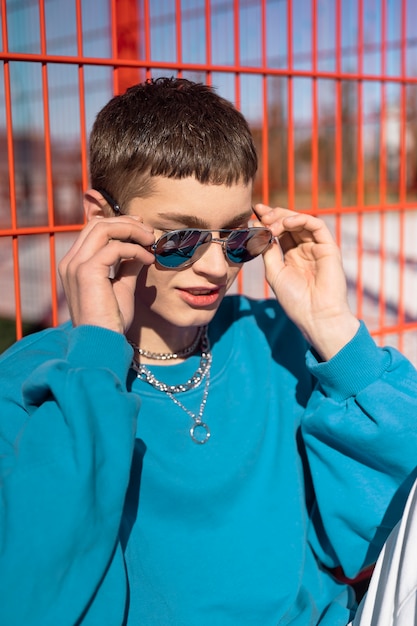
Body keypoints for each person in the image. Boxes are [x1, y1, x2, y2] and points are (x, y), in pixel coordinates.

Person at [1, 76, 417, 626]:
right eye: (179, 240)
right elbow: (37, 595)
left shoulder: (278, 342)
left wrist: (332, 327)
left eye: (237, 237)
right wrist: (98, 353)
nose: (219, 268)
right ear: (102, 219)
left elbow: (385, 516)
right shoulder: (30, 384)